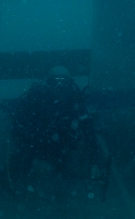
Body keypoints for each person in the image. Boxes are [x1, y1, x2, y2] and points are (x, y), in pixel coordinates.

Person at [7, 66, 111, 199]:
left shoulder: (75, 100)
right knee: (23, 161)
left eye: (64, 82)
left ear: (70, 84)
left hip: (64, 146)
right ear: (48, 83)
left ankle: (59, 182)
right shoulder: (37, 99)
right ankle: (20, 181)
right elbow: (18, 124)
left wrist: (94, 159)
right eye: (55, 81)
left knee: (66, 170)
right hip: (39, 144)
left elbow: (88, 129)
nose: (59, 86)